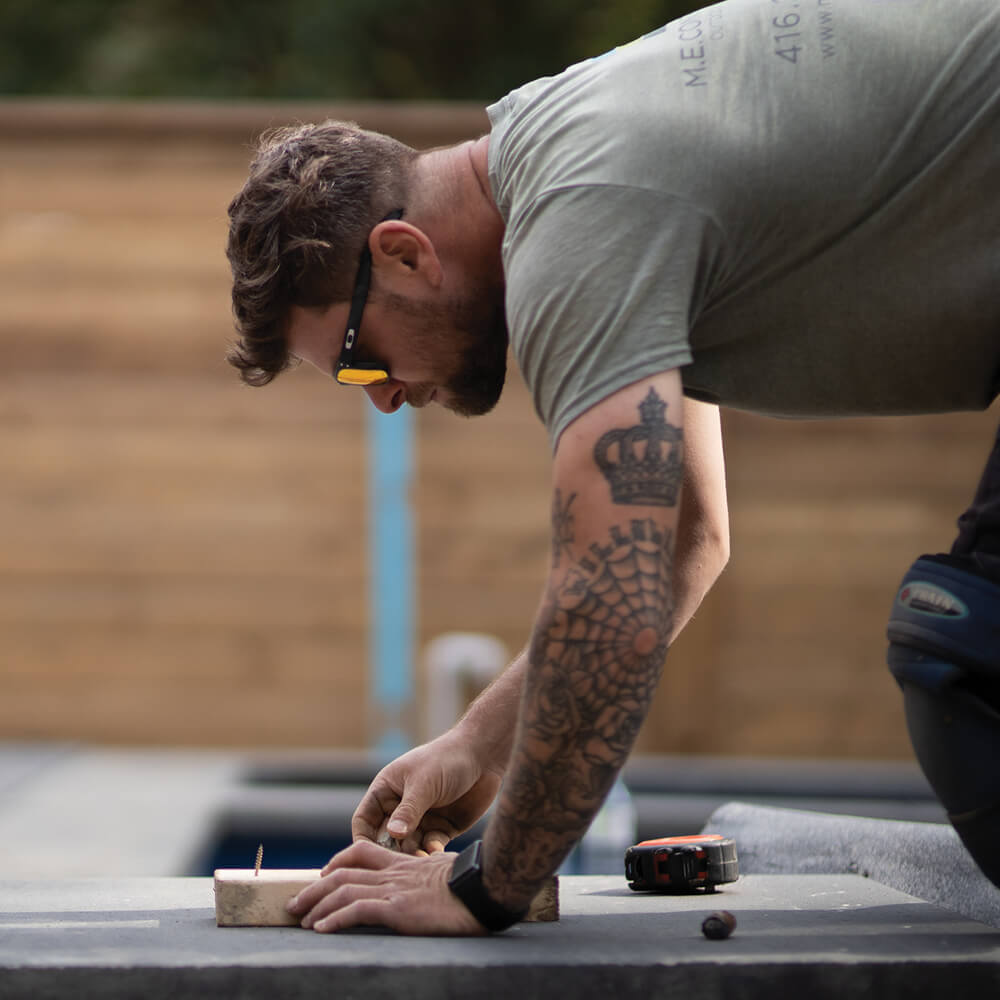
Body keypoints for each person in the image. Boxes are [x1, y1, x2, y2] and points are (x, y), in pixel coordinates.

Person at [225, 0, 1000, 935]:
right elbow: (686, 539)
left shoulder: (575, 217)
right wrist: (481, 741)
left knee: (969, 660)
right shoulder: (572, 154)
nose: (382, 395)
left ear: (402, 253)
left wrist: (484, 885)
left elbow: (611, 593)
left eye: (358, 359)